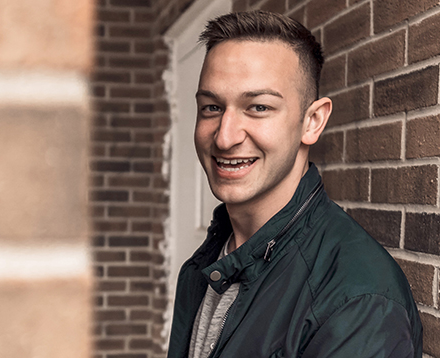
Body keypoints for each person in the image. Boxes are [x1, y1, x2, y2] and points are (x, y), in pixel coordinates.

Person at [167, 10, 422, 358]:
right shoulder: (209, 259)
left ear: (312, 121)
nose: (225, 137)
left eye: (257, 107)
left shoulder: (358, 301)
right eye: (212, 107)